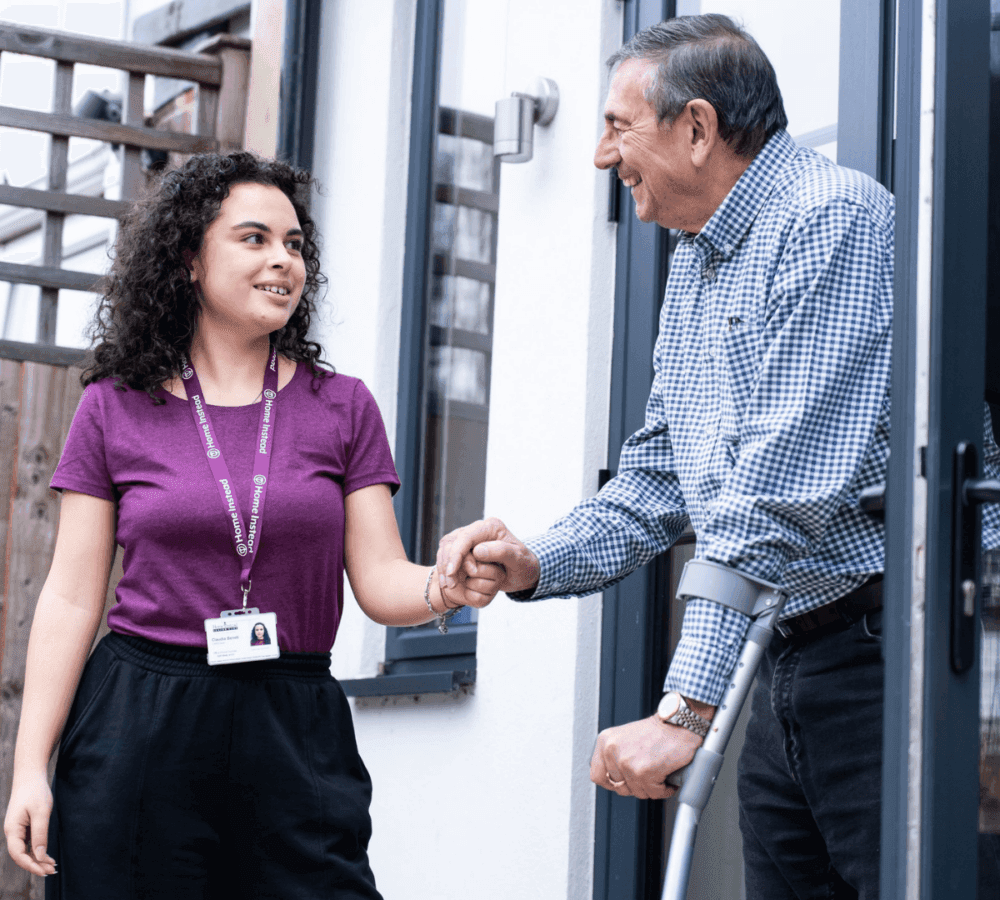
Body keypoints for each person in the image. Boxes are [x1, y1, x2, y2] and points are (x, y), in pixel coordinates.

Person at [439, 14, 899, 898]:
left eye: (618, 128)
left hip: (892, 655)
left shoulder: (831, 222)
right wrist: (537, 562)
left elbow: (773, 492)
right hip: (788, 654)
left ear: (697, 128)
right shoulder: (696, 260)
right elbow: (658, 477)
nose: (602, 157)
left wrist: (684, 709)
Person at [3, 151, 501, 899]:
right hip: (140, 723)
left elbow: (379, 580)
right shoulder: (116, 405)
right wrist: (29, 770)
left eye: (295, 244)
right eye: (255, 238)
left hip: (293, 725)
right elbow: (71, 599)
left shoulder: (344, 407)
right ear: (189, 261)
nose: (284, 261)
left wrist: (444, 586)